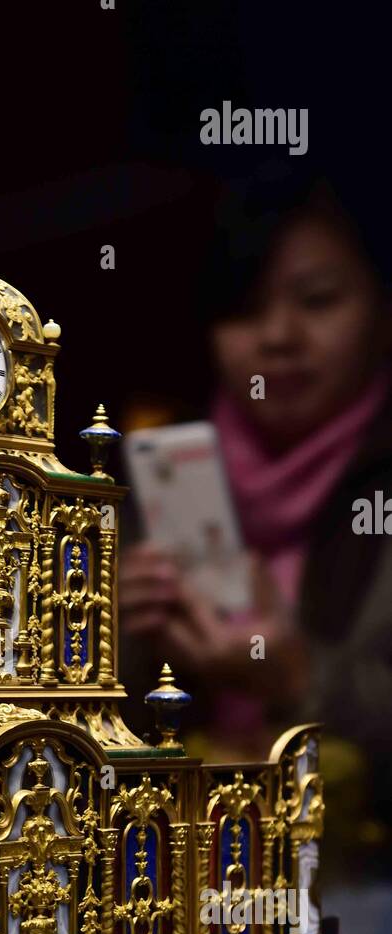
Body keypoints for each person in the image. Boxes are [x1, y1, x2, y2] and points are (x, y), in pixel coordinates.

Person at [119, 170, 392, 869]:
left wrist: (302, 677)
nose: (278, 337)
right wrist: (106, 641)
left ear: (384, 308)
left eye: (318, 300)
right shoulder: (157, 481)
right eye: (243, 310)